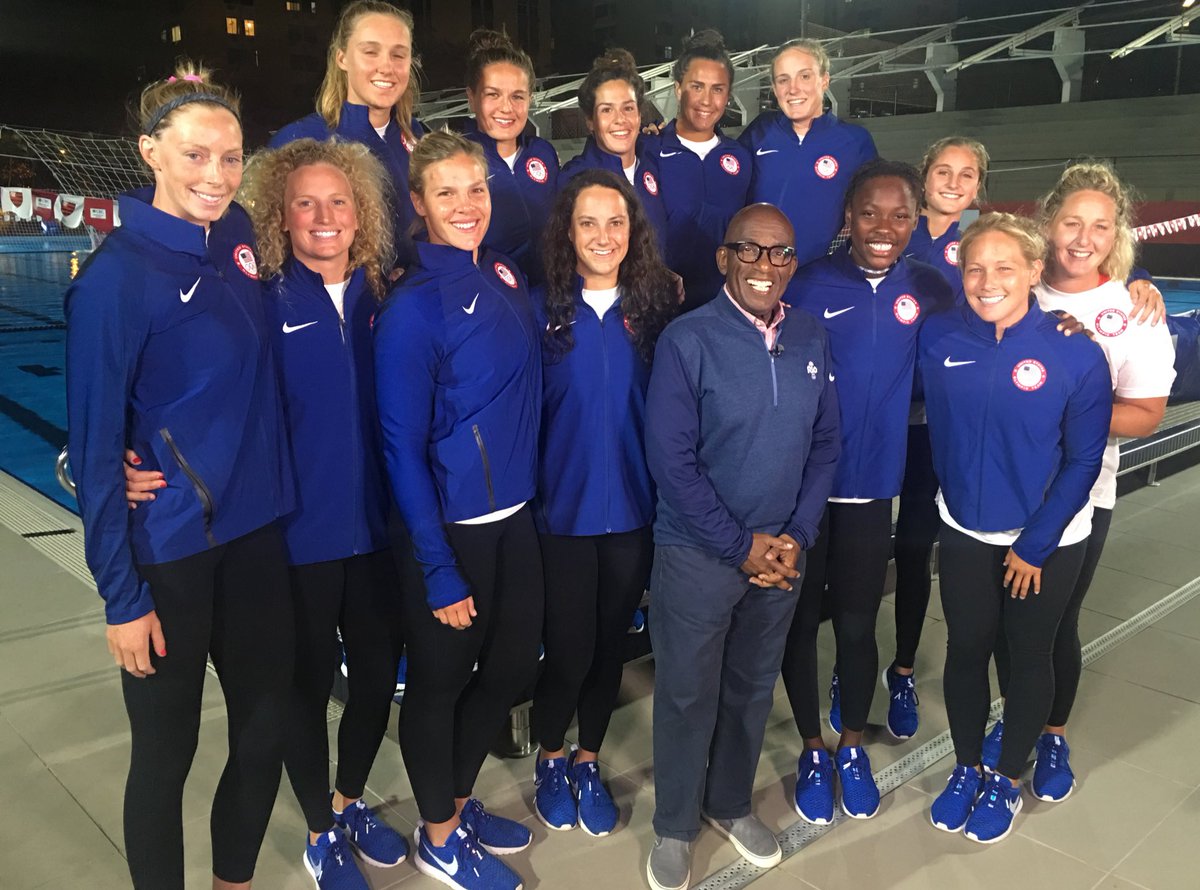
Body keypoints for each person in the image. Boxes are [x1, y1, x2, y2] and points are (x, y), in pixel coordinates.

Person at [121, 138, 409, 890]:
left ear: (362, 213)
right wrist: (130, 445)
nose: (324, 216)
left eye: (339, 201)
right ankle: (319, 828)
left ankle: (348, 801)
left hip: (378, 531)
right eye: (305, 203)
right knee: (303, 694)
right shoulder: (262, 297)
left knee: (377, 680)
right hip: (294, 535)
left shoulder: (385, 295)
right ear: (279, 215)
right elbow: (188, 377)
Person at [65, 63, 295, 890]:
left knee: (267, 730)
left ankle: (233, 881)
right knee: (166, 757)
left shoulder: (238, 239)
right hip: (169, 551)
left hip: (256, 535)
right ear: (150, 153)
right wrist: (121, 598)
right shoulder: (116, 281)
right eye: (196, 156)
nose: (216, 175)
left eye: (231, 158)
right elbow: (92, 445)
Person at [644, 204, 840, 890]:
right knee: (686, 695)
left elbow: (825, 445)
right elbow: (672, 462)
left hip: (782, 552)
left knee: (751, 688)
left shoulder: (811, 336)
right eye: (749, 252)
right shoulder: (687, 340)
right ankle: (674, 824)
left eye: (780, 253)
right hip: (699, 553)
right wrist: (739, 545)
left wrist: (796, 536)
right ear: (725, 259)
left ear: (793, 261)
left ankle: (729, 802)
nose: (766, 266)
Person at [373, 130, 543, 890]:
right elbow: (400, 447)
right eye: (446, 192)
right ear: (418, 202)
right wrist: (438, 569)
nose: (466, 205)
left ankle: (457, 800)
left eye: (475, 189)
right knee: (441, 684)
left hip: (516, 518)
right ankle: (438, 836)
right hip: (451, 532)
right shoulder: (415, 308)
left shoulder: (500, 274)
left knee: (509, 668)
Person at [982, 162, 1175, 801]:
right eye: (1072, 221)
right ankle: (1019, 717)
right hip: (1004, 492)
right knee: (1010, 627)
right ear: (1048, 224)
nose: (1083, 237)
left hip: (1081, 499)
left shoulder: (1131, 310)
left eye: (1100, 225)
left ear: (1116, 233)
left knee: (1051, 627)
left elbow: (1146, 414)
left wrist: (1062, 414)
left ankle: (1053, 733)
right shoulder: (1016, 287)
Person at [921, 212, 1111, 843]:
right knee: (967, 652)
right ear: (959, 270)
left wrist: (1034, 545)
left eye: (1005, 267)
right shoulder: (939, 334)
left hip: (1048, 539)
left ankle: (1006, 776)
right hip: (966, 530)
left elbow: (1085, 458)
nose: (988, 280)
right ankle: (968, 766)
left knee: (1028, 657)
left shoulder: (1074, 349)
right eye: (975, 267)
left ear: (1035, 270)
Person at [781, 160, 954, 825]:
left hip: (870, 487)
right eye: (870, 213)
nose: (884, 228)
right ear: (846, 218)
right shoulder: (810, 281)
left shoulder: (931, 287)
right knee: (800, 624)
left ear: (916, 222)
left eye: (899, 215)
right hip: (801, 489)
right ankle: (811, 749)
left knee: (856, 623)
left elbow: (995, 324)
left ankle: (852, 744)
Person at [528, 169, 678, 836]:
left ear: (632, 232)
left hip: (633, 514)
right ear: (568, 231)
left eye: (615, 222)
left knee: (609, 647)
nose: (602, 235)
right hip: (560, 514)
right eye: (588, 222)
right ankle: (551, 756)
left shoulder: (653, 314)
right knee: (566, 650)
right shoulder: (537, 313)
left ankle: (588, 758)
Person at [270, 0, 424, 270]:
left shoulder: (416, 134)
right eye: (370, 52)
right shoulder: (299, 140)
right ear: (342, 58)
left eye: (398, 55)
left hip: (412, 301)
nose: (386, 67)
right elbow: (269, 241)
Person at [738, 38, 877, 268]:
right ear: (774, 88)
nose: (793, 89)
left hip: (818, 280)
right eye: (783, 80)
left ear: (824, 80)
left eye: (804, 76)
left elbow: (872, 210)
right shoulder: (759, 131)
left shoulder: (855, 141)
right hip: (758, 273)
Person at [643, 29, 751, 310]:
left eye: (717, 89)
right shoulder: (648, 150)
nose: (706, 100)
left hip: (724, 309)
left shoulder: (740, 157)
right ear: (678, 88)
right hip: (661, 305)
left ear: (728, 95)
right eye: (697, 86)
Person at [460, 28, 559, 284]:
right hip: (492, 300)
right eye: (493, 94)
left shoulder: (543, 153)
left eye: (517, 96)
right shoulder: (456, 162)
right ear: (471, 97)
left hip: (549, 300)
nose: (506, 108)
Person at [560, 49, 670, 255]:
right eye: (607, 110)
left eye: (628, 108)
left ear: (639, 114)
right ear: (590, 121)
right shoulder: (575, 178)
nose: (620, 119)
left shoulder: (652, 162)